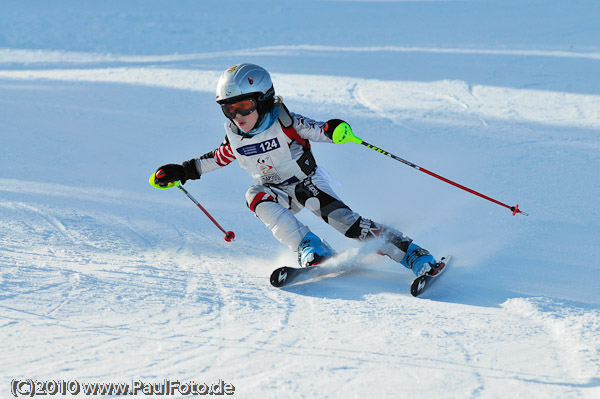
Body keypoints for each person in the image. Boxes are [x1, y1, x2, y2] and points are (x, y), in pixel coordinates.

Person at [153, 63, 440, 276]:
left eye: (243, 105)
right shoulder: (236, 137)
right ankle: (311, 247)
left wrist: (334, 129)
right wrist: (183, 171)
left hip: (307, 184)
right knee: (255, 195)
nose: (238, 116)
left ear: (263, 100)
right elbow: (218, 157)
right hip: (276, 191)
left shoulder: (286, 123)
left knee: (348, 225)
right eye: (229, 109)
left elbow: (318, 130)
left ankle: (413, 254)